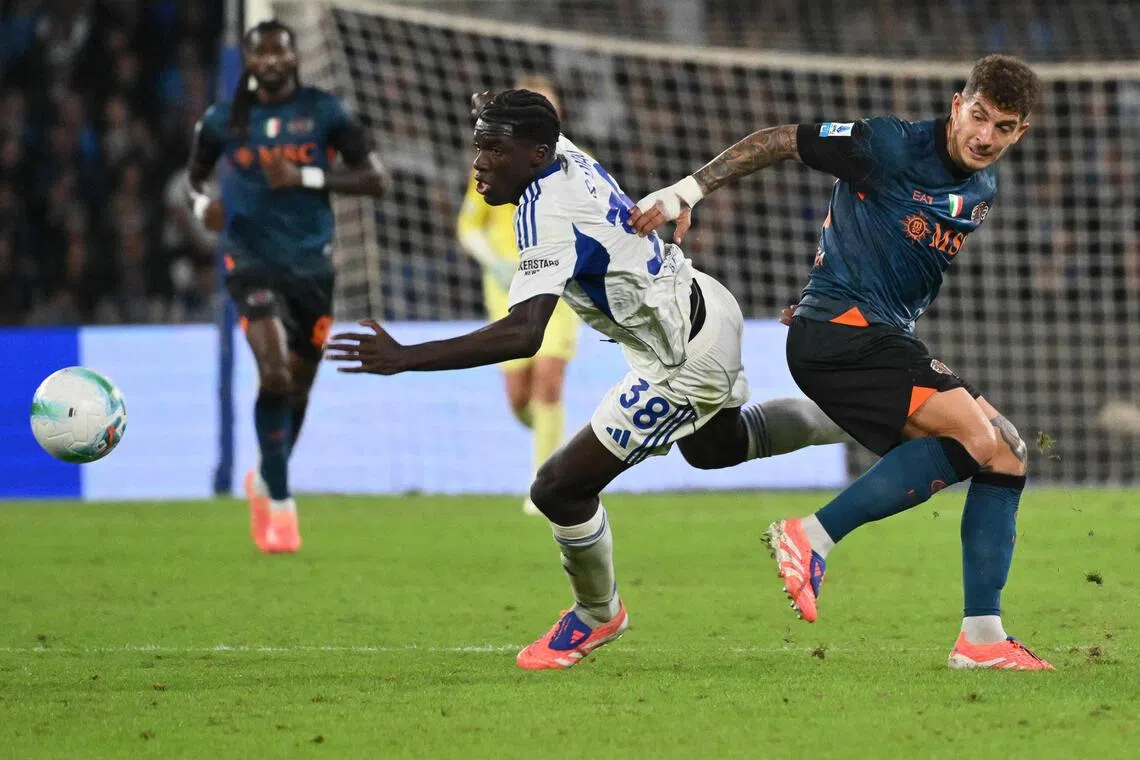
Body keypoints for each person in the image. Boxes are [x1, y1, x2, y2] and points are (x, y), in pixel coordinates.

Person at [327, 89, 848, 670]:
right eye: (478, 146)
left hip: (681, 363)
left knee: (557, 488)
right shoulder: (560, 152)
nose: (479, 163)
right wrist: (494, 106)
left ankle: (598, 614)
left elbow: (523, 333)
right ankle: (862, 418)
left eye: (494, 150)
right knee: (714, 447)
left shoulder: (545, 215)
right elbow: (539, 126)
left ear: (533, 154)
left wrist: (405, 356)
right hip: (703, 304)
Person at [630, 55, 1052, 670]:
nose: (985, 137)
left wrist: (829, 276)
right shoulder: (887, 144)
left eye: (1004, 127)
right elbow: (778, 140)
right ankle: (811, 537)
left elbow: (884, 248)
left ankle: (981, 639)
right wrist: (684, 192)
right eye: (979, 116)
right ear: (958, 103)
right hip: (843, 335)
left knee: (1006, 453)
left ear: (1022, 133)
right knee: (974, 436)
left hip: (875, 337)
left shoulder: (982, 188)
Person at [186, 20, 388, 553]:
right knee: (273, 372)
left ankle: (267, 473)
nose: (271, 61)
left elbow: (375, 180)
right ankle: (278, 497)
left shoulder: (325, 112)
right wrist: (201, 206)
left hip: (313, 266)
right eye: (261, 54)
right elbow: (193, 180)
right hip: (249, 260)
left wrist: (307, 178)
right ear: (248, 62)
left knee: (298, 384)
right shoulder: (223, 120)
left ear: (295, 57)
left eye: (280, 52)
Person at [456, 76, 580, 515]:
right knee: (519, 400)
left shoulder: (575, 168)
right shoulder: (496, 163)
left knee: (550, 380)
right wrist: (494, 261)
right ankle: (555, 444)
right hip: (506, 291)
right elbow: (468, 227)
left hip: (560, 290)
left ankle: (545, 481)